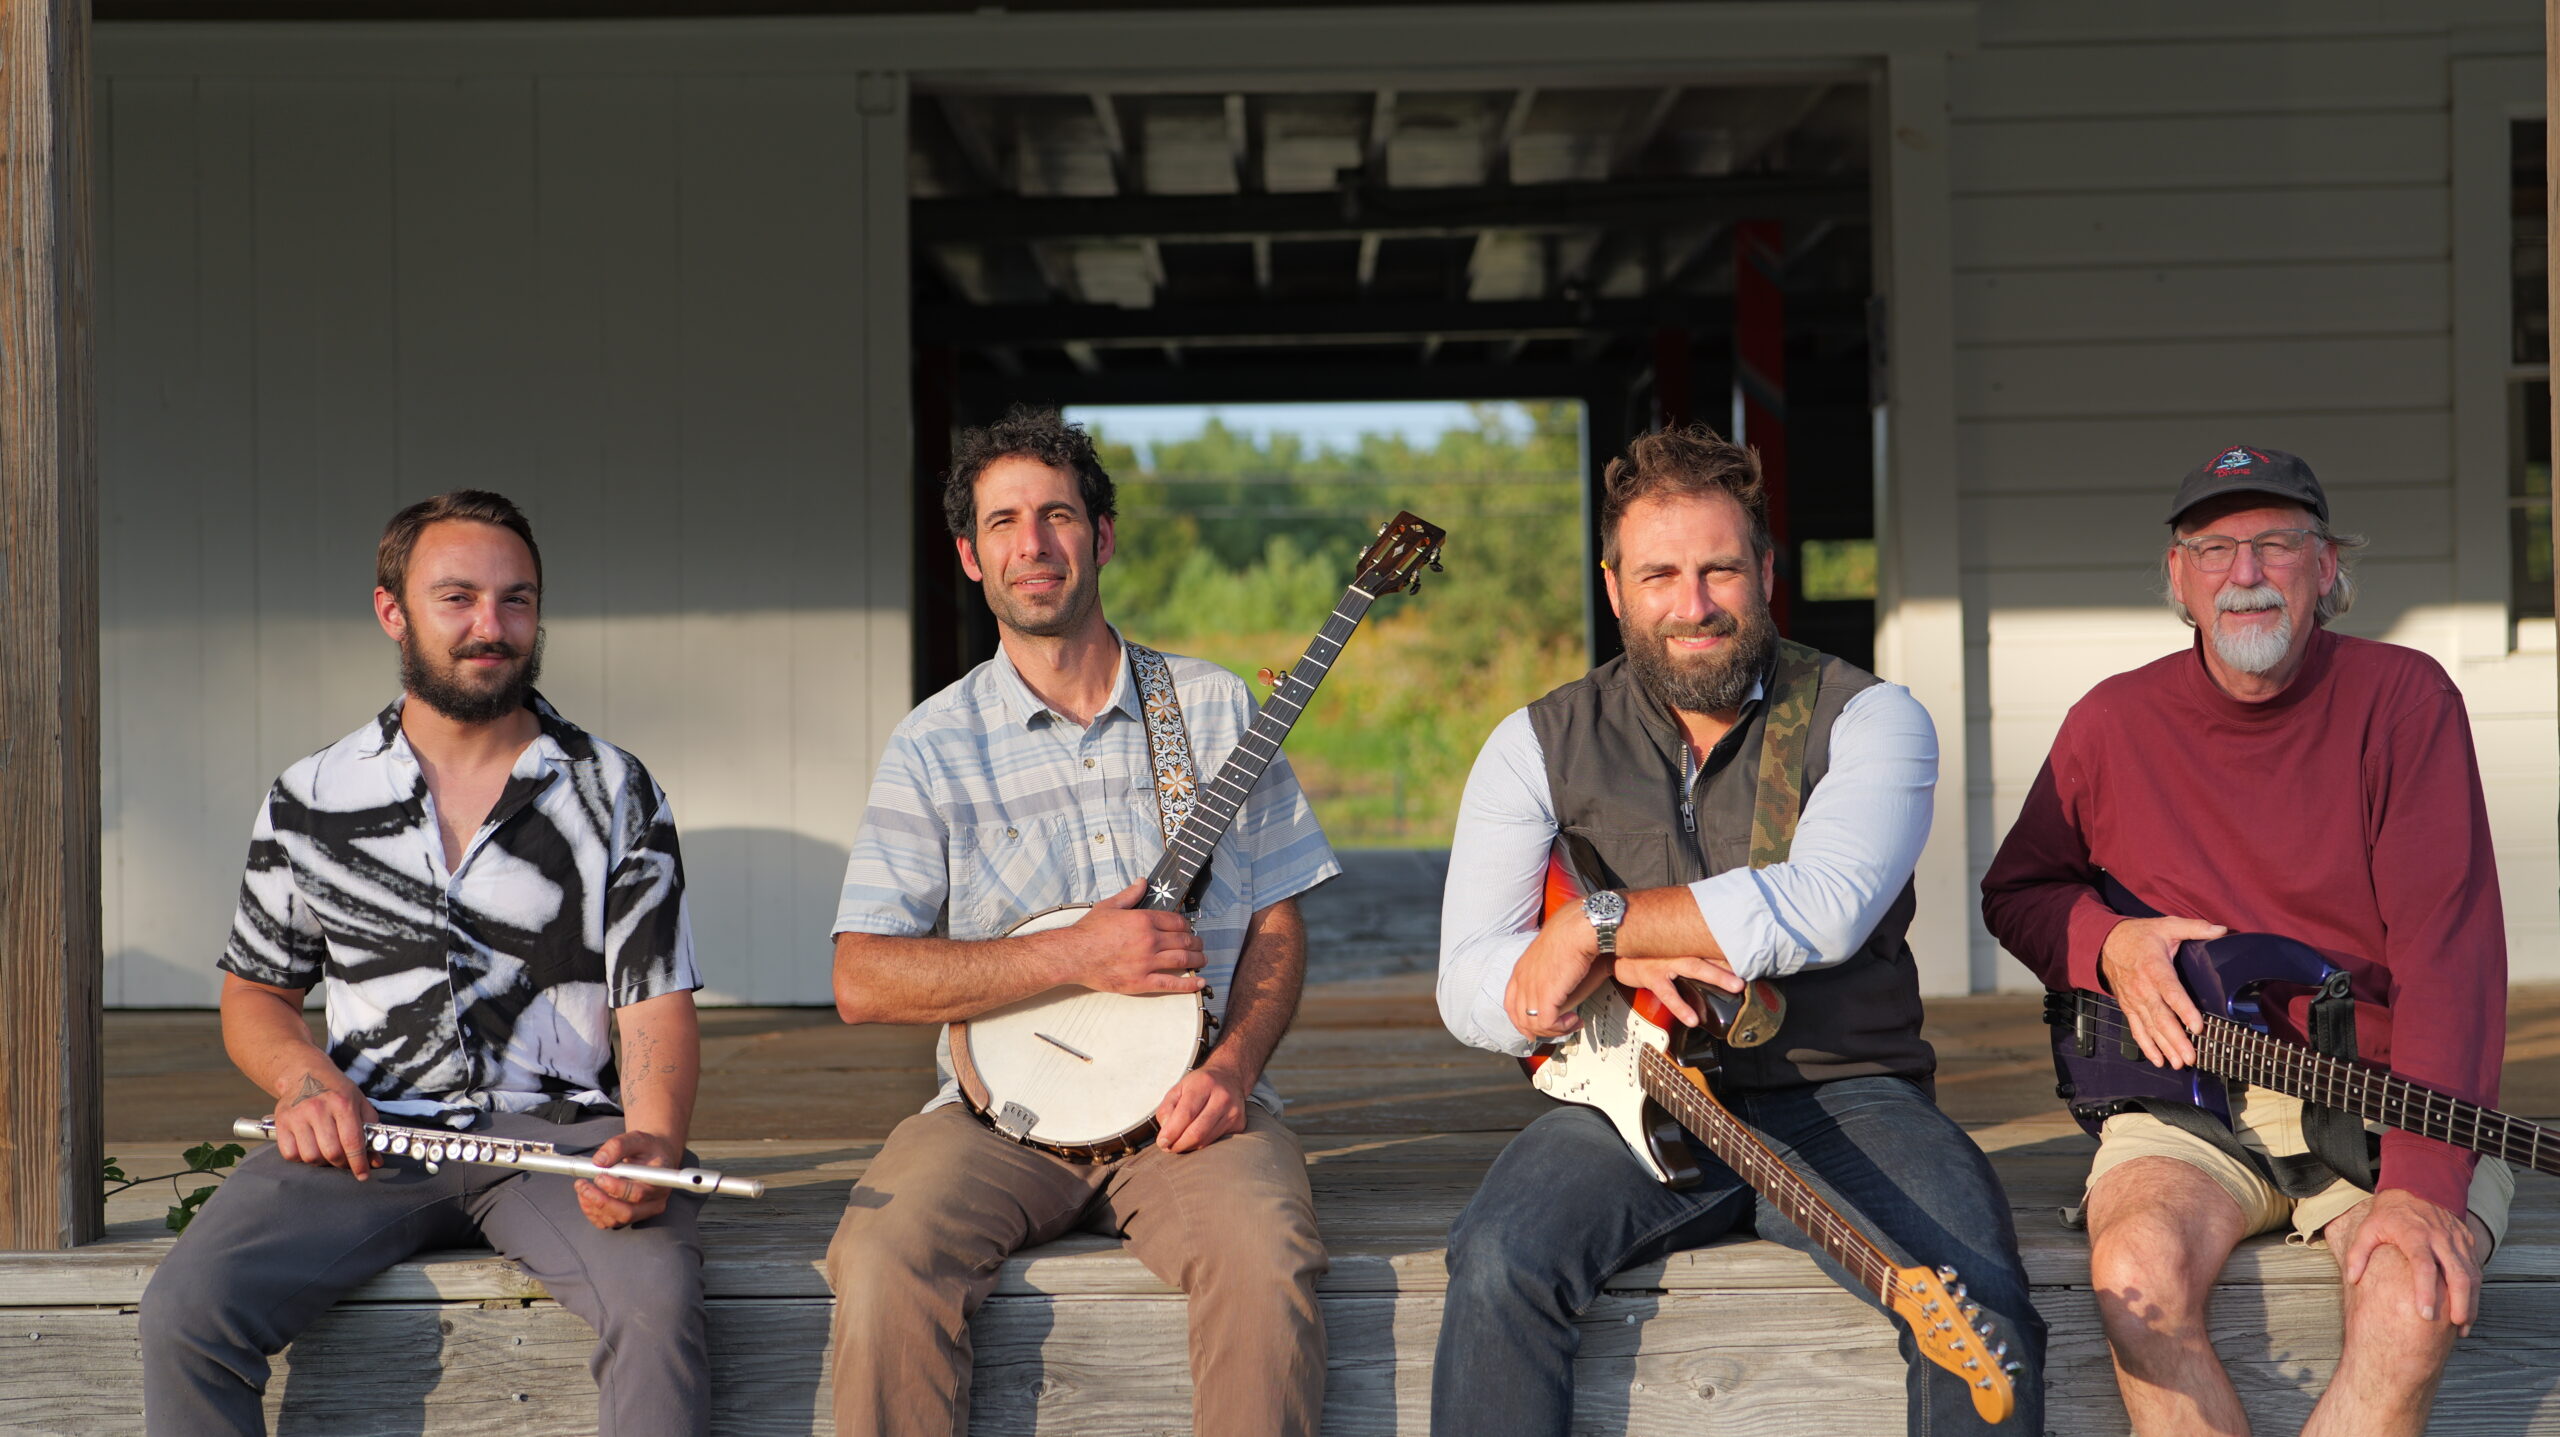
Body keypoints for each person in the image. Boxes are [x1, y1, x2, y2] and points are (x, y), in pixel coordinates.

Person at [1431, 425, 2045, 1435]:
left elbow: (1825, 903)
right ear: (1614, 588)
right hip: (1630, 1099)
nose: (1694, 604)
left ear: (1763, 572)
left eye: (1719, 569)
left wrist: (1596, 927)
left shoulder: (1870, 719)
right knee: (1498, 1260)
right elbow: (1468, 982)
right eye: (1659, 575)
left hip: (1845, 1094)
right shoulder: (1532, 743)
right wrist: (1574, 968)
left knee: (1975, 1300)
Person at [139, 491, 711, 1436]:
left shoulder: (614, 788)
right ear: (391, 611)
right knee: (185, 1312)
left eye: (517, 599)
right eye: (458, 598)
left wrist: (652, 1141)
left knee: (657, 1306)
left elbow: (652, 1002)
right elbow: (258, 993)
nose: (492, 625)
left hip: (564, 1145)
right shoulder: (312, 795)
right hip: (367, 1142)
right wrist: (305, 1082)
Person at [823, 407, 1338, 1437]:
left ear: (1100, 536)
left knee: (1265, 1256)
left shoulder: (1211, 709)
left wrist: (1234, 1070)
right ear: (970, 557)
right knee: (881, 1257)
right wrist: (1074, 953)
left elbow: (1276, 926)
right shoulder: (933, 744)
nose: (1033, 543)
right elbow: (862, 979)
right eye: (1003, 522)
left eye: (1057, 515)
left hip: (1189, 1117)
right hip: (998, 1122)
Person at [1982, 444, 2511, 1437]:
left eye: (2276, 543)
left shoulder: (2405, 700)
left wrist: (2421, 1188)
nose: (2246, 572)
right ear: (2178, 579)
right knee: (2133, 1274)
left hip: (2378, 1092)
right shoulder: (2110, 721)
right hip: (2188, 1098)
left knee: (2411, 1297)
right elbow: (2019, 890)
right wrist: (2108, 941)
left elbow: (2453, 961)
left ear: (2326, 566)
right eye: (2214, 549)